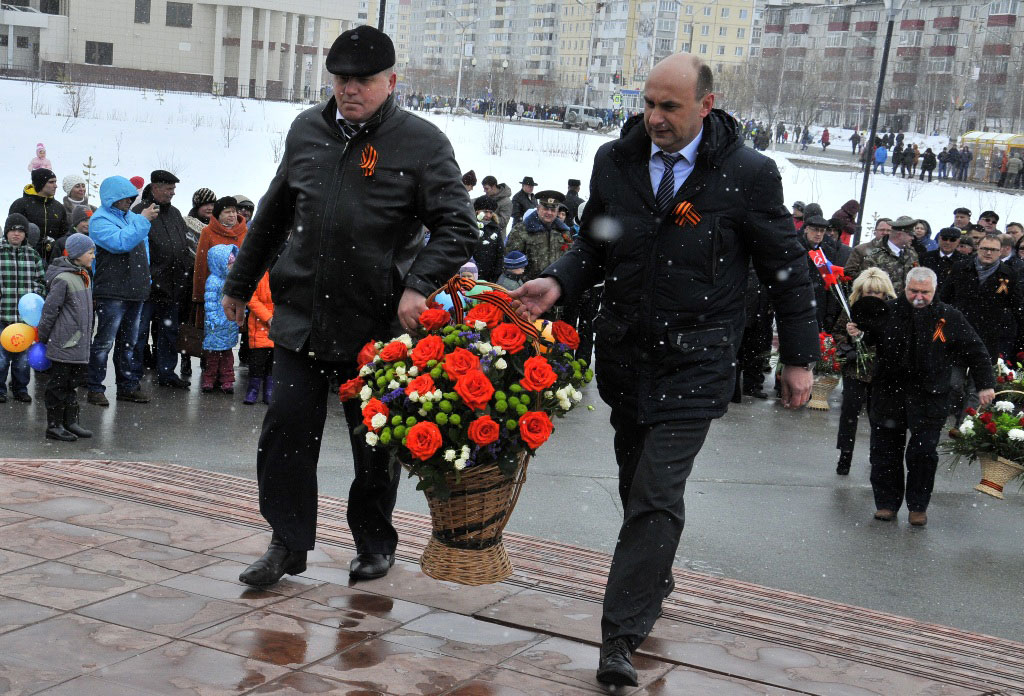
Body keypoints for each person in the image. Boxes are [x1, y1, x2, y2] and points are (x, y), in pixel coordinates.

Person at [509, 53, 817, 688]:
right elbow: (594, 243)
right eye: (648, 104)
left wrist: (797, 357)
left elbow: (786, 268)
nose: (654, 118)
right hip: (627, 357)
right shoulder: (615, 161)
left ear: (706, 104)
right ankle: (652, 573)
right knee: (635, 487)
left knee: (655, 493)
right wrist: (558, 282)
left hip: (698, 359)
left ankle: (620, 636)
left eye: (669, 106)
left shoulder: (748, 173)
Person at [221, 26, 477, 588]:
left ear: (391, 81)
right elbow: (273, 212)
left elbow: (458, 226)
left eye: (363, 80)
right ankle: (286, 543)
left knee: (375, 444)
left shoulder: (421, 142)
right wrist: (239, 282)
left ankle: (373, 543)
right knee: (285, 432)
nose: (349, 89)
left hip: (376, 326)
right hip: (302, 317)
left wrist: (418, 285)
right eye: (340, 79)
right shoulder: (307, 129)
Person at [859, 267, 994, 526]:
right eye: (913, 291)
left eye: (925, 292)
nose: (919, 297)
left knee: (923, 453)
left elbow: (976, 351)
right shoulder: (887, 311)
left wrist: (986, 384)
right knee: (885, 452)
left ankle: (918, 506)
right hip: (889, 393)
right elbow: (867, 339)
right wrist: (858, 333)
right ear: (904, 288)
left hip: (930, 396)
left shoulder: (949, 316)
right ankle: (886, 503)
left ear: (934, 290)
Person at [85, 176, 159, 406]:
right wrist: (143, 220)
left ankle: (127, 387)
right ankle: (95, 388)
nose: (129, 201)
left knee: (129, 343)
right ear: (112, 198)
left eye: (131, 197)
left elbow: (144, 252)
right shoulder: (99, 220)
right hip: (112, 291)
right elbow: (120, 243)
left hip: (135, 290)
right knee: (104, 343)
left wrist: (146, 279)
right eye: (125, 197)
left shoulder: (133, 219)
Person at [941, 234, 1024, 421]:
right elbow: (944, 298)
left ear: (1001, 251)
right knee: (953, 384)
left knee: (979, 388)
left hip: (988, 338)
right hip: (958, 336)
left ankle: (965, 426)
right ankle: (952, 415)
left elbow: (1017, 306)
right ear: (978, 248)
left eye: (993, 250)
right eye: (985, 248)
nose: (988, 253)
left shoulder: (1008, 274)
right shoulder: (961, 268)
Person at [131, 170, 192, 389]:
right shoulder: (140, 211)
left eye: (173, 189)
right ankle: (133, 375)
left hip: (172, 285)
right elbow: (134, 245)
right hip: (147, 286)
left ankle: (167, 373)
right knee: (139, 333)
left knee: (169, 332)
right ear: (155, 187)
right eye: (168, 189)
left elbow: (183, 244)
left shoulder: (175, 213)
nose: (172, 193)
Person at [833, 269, 895, 475]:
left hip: (880, 370)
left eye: (877, 292)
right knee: (849, 412)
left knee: (878, 416)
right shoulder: (852, 307)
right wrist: (849, 338)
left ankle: (876, 453)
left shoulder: (892, 310)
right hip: (855, 369)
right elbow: (837, 332)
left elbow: (896, 339)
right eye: (869, 292)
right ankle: (845, 455)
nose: (873, 296)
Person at [36, 233, 95, 441]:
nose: (93, 256)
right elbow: (50, 311)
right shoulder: (63, 279)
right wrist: (43, 337)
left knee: (72, 384)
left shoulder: (83, 275)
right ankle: (54, 425)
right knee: (58, 385)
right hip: (64, 342)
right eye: (90, 252)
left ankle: (70, 421)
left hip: (79, 343)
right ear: (78, 254)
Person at [0, 213, 45, 404]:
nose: (16, 234)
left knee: (22, 359)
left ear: (26, 234)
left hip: (25, 319)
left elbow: (41, 281)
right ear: (6, 232)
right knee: (1, 358)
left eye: (20, 230)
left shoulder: (33, 255)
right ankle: (0, 390)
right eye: (12, 230)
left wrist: (36, 296)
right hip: (3, 315)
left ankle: (20, 388)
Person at [506, 190, 574, 285]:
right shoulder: (521, 230)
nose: (549, 213)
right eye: (545, 209)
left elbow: (569, 257)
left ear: (557, 212)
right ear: (538, 209)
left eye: (553, 210)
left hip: (556, 285)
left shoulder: (564, 231)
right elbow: (511, 263)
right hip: (529, 286)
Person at [192, 197, 247, 314]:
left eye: (234, 211)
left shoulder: (244, 232)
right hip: (214, 290)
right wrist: (199, 295)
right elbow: (201, 264)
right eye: (227, 212)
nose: (232, 215)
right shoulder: (208, 232)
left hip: (238, 290)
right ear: (218, 215)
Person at [845, 215, 919, 296]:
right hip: (883, 301)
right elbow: (866, 282)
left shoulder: (911, 253)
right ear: (899, 234)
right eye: (910, 235)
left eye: (888, 230)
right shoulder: (875, 255)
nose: (912, 238)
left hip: (906, 301)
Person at [201, 244, 239, 394]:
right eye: (229, 264)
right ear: (220, 264)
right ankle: (209, 379)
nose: (231, 267)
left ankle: (227, 380)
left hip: (228, 323)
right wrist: (213, 319)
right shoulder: (214, 281)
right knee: (213, 355)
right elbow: (210, 302)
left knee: (227, 355)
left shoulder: (232, 281)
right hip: (216, 324)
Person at [9, 168, 68, 259]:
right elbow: (11, 232)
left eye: (55, 182)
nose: (55, 186)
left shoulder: (59, 207)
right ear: (41, 183)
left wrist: (54, 245)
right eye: (51, 182)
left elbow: (64, 234)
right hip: (25, 259)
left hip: (53, 260)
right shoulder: (20, 204)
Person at [244, 271, 274, 405]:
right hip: (259, 326)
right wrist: (268, 317)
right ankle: (253, 390)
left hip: (277, 325)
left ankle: (269, 391)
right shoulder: (258, 275)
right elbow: (251, 299)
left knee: (272, 364)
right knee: (257, 362)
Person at [471, 196, 505, 282]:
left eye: (491, 212)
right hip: (470, 272)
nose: (488, 215)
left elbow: (500, 252)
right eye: (485, 211)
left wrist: (497, 271)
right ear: (477, 211)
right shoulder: (470, 226)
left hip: (490, 274)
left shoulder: (495, 228)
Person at [920, 227, 963, 292]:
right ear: (939, 239)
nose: (947, 242)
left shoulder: (965, 261)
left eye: (952, 240)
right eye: (944, 239)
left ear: (958, 242)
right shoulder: (925, 257)